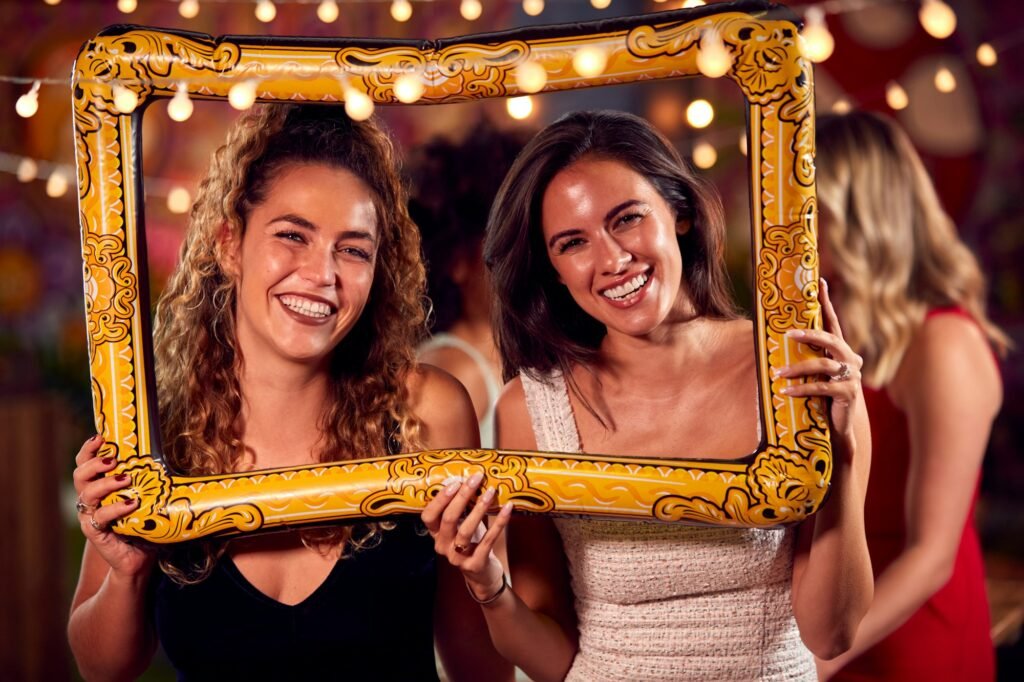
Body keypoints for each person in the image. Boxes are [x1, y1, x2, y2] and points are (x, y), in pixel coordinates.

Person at [421, 110, 874, 681]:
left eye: (627, 218)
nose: (612, 260)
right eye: (573, 243)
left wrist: (844, 455)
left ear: (678, 212)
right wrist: (487, 584)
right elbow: (555, 661)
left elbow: (832, 634)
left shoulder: (791, 371)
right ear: (555, 270)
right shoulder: (533, 407)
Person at [68, 104, 511, 681]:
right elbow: (102, 668)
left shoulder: (427, 412)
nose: (321, 274)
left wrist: (487, 579)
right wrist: (125, 571)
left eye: (352, 249)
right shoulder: (152, 424)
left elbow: (480, 671)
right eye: (292, 235)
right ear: (230, 244)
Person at [812, 111, 1008, 681]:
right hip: (837, 612)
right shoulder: (835, 328)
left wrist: (814, 662)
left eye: (807, 210)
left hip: (909, 636)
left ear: (858, 213)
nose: (785, 230)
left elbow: (931, 556)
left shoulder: (945, 341)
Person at [411, 121, 530, 448]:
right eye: (505, 245)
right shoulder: (456, 368)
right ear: (457, 261)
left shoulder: (504, 360)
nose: (525, 262)